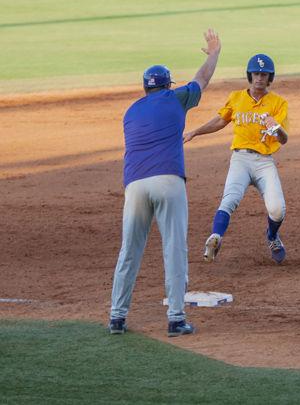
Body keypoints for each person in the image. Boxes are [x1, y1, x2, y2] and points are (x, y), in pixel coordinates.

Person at [108, 29, 221, 337]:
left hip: (135, 186)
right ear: (167, 86)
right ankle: (175, 318)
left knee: (128, 251)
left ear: (145, 89)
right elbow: (202, 80)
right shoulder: (176, 98)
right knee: (174, 249)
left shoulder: (130, 112)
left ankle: (117, 317)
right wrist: (214, 53)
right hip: (168, 180)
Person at [183, 53, 289, 265]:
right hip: (240, 159)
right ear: (250, 75)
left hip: (264, 162)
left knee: (277, 210)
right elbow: (221, 120)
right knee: (229, 198)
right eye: (256, 73)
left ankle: (272, 236)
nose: (259, 78)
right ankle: (215, 237)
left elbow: (283, 139)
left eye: (264, 74)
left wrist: (275, 127)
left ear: (270, 78)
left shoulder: (278, 103)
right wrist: (195, 132)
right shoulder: (236, 97)